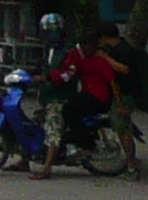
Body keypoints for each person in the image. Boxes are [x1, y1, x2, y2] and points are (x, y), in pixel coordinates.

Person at [50, 32, 119, 177]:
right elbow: (69, 71)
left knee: (69, 110)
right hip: (87, 94)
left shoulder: (100, 61)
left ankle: (87, 145)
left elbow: (113, 83)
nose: (85, 50)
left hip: (99, 98)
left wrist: (119, 103)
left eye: (87, 47)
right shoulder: (81, 59)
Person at [101, 22, 148, 171]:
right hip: (119, 93)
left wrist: (106, 59)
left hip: (126, 94)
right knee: (121, 128)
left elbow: (124, 69)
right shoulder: (115, 50)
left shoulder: (124, 51)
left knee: (123, 128)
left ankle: (131, 162)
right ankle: (128, 159)